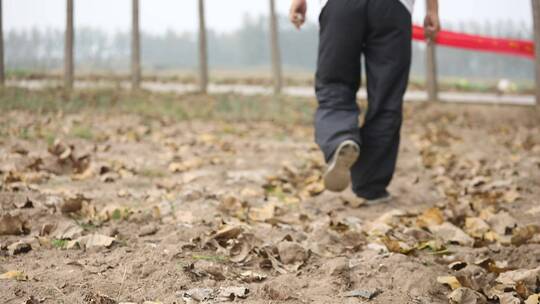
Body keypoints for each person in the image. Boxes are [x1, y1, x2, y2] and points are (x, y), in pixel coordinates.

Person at [289, 0, 440, 203]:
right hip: (393, 8)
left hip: (341, 6)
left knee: (334, 85)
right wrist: (432, 11)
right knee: (387, 98)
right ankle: (371, 185)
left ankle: (339, 138)